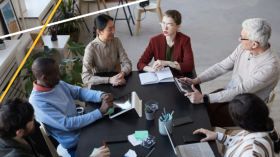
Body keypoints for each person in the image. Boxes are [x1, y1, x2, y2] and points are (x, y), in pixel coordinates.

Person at [181, 18, 280, 127]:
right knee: (198, 110)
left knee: (202, 117)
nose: (239, 39)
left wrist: (204, 98)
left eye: (242, 37)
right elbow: (221, 67)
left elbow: (241, 91)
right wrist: (197, 80)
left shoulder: (270, 66)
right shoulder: (243, 48)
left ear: (254, 44)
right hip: (230, 92)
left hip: (247, 108)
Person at [29, 57, 114, 157]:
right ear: (45, 78)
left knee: (115, 137)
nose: (60, 74)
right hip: (75, 143)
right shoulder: (37, 101)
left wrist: (100, 96)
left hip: (84, 129)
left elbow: (79, 92)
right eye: (56, 72)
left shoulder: (57, 84)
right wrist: (100, 112)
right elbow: (67, 124)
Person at [194, 93, 280, 157]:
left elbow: (245, 146)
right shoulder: (267, 126)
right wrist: (217, 135)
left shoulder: (251, 152)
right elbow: (237, 142)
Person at [137, 10, 194, 75]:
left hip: (178, 77)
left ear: (178, 27)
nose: (165, 28)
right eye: (163, 23)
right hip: (161, 78)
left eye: (169, 25)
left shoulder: (184, 40)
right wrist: (153, 69)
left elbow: (189, 66)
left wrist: (168, 63)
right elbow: (140, 63)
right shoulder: (154, 40)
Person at [82, 14, 132, 86]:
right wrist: (109, 80)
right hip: (99, 83)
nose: (113, 31)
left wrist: (122, 73)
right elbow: (85, 77)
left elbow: (127, 63)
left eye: (114, 27)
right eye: (110, 29)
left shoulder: (116, 41)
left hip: (116, 80)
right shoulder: (90, 49)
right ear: (99, 32)